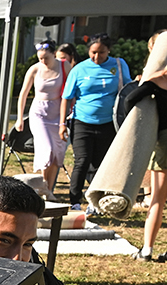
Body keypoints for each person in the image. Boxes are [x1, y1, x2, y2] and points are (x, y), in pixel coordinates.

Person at [61, 34, 132, 212]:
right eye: (93, 52)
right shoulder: (79, 69)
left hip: (108, 123)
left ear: (109, 50)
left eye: (101, 53)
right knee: (82, 160)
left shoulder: (118, 65)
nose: (96, 57)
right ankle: (74, 201)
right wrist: (62, 124)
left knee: (101, 164)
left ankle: (96, 201)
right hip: (82, 121)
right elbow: (66, 98)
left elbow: (127, 89)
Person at [129, 31, 167, 261]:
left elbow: (129, 100)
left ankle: (147, 249)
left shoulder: (157, 79)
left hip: (164, 142)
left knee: (157, 199)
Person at [15, 40, 69, 196]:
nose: (43, 62)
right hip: (39, 112)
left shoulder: (64, 66)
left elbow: (72, 88)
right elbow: (23, 94)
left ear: (54, 54)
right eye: (40, 58)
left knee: (57, 154)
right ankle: (44, 187)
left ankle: (48, 189)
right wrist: (19, 118)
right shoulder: (34, 69)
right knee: (47, 150)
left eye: (46, 58)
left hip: (58, 113)